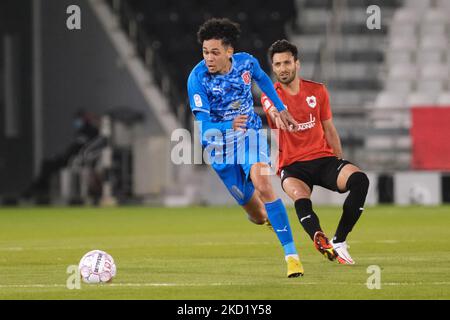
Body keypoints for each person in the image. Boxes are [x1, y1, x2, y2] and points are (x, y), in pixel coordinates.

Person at [187, 18, 304, 277]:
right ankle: (268, 219)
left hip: (249, 137)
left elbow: (263, 80)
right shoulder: (197, 79)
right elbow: (204, 128)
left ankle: (292, 256)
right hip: (219, 150)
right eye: (205, 52)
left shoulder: (246, 63)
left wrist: (281, 109)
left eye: (215, 52)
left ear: (229, 51)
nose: (209, 58)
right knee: (259, 216)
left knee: (264, 185)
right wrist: (230, 123)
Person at [261, 40, 370, 264]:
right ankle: (319, 237)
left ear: (297, 63)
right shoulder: (270, 94)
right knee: (300, 197)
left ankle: (339, 240)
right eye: (278, 64)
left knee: (360, 180)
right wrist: (276, 114)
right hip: (292, 165)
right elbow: (271, 109)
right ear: (273, 68)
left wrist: (338, 160)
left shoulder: (317, 91)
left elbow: (329, 129)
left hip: (323, 159)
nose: (283, 68)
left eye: (287, 62)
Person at [22, 110, 101, 202]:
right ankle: (39, 187)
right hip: (70, 157)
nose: (77, 122)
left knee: (48, 165)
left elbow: (79, 148)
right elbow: (74, 147)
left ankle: (39, 188)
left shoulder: (89, 131)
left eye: (79, 120)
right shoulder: (82, 132)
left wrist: (69, 156)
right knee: (47, 164)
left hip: (75, 159)